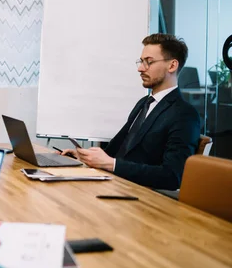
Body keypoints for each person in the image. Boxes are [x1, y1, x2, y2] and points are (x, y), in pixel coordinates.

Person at [59, 34, 200, 190]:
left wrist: (110, 164)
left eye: (149, 62)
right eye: (141, 62)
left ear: (172, 66)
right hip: (114, 185)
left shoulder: (184, 114)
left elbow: (172, 176)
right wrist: (86, 157)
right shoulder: (143, 103)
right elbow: (116, 151)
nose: (140, 68)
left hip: (140, 196)